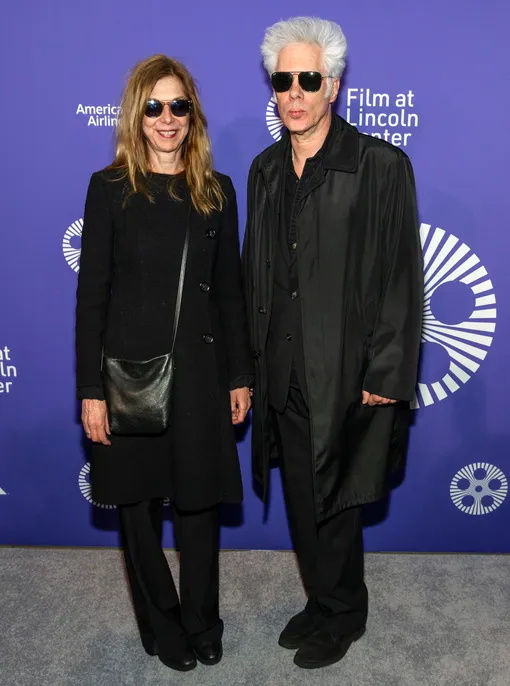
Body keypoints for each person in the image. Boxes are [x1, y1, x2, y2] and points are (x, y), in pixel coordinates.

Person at [242, 17, 423, 670]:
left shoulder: (379, 166)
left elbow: (401, 280)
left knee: (338, 499)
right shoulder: (265, 170)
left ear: (334, 87)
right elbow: (251, 272)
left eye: (307, 79)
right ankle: (320, 598)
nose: (294, 91)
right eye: (283, 79)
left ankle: (344, 613)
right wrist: (246, 368)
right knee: (300, 496)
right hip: (282, 372)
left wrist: (387, 370)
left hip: (348, 372)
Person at [76, 54, 253, 672]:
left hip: (202, 379)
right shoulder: (110, 191)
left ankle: (204, 620)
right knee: (138, 511)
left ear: (192, 114)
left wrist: (239, 374)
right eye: (154, 107)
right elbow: (91, 297)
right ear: (136, 114)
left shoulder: (217, 191)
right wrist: (90, 388)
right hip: (131, 378)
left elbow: (230, 292)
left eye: (179, 105)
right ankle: (162, 623)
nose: (167, 118)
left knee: (201, 506)